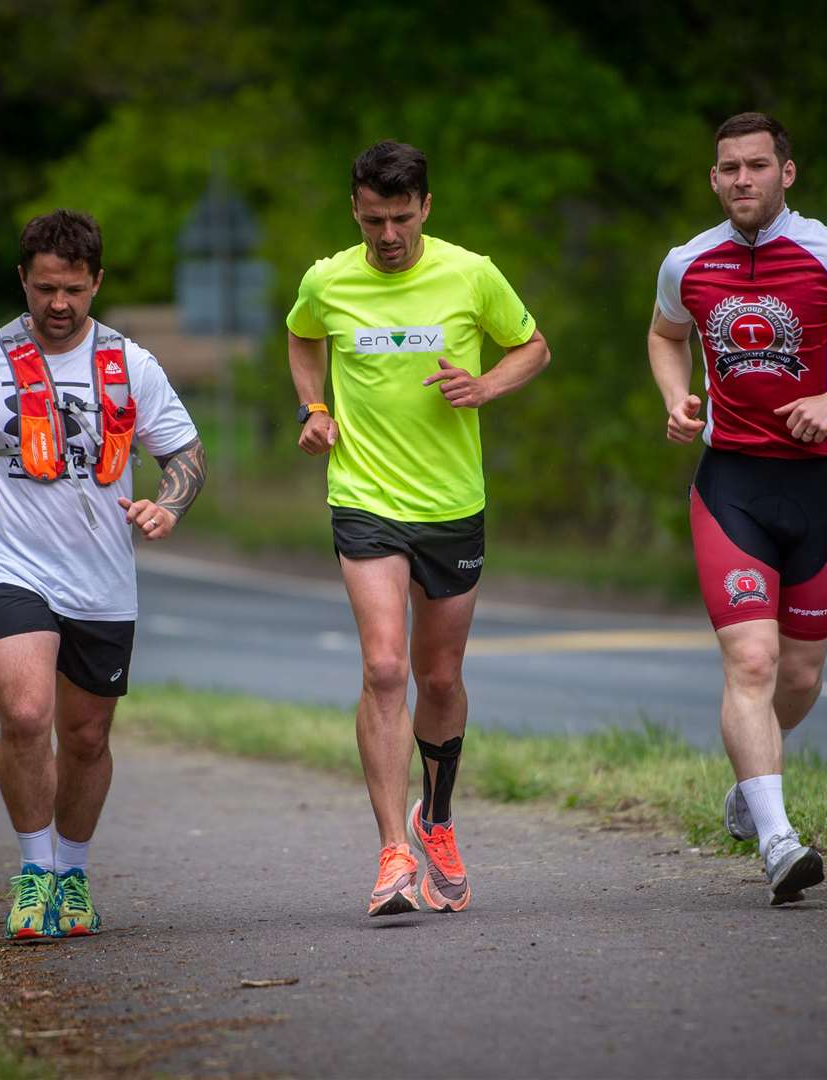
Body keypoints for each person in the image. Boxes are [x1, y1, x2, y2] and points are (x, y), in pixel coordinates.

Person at [647, 113, 827, 904]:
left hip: (819, 487)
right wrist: (677, 399)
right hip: (731, 483)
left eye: (757, 166)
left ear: (787, 173)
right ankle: (778, 842)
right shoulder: (687, 262)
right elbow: (666, 335)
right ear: (714, 179)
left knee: (800, 678)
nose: (742, 179)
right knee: (753, 662)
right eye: (728, 168)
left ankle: (752, 783)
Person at [0, 209, 205, 939]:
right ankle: (34, 872)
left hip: (103, 578)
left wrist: (168, 507)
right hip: (8, 565)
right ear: (23, 280)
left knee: (84, 738)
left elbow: (185, 458)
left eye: (74, 289)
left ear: (96, 283)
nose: (58, 304)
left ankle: (72, 875)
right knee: (24, 714)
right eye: (45, 288)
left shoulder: (131, 365)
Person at [286, 141, 550, 916]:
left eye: (402, 218)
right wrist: (313, 408)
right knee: (384, 670)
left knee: (439, 679)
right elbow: (304, 335)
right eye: (374, 220)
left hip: (452, 502)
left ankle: (433, 819)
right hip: (365, 497)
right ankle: (391, 853)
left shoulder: (471, 274)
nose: (389, 235)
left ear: (426, 208)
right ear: (355, 211)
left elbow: (533, 346)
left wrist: (487, 383)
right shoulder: (328, 279)